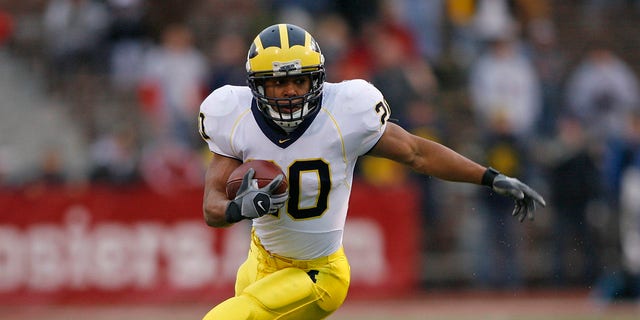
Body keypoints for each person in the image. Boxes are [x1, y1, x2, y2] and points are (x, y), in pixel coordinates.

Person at [198, 24, 546, 320]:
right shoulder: (233, 114)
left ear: (316, 80)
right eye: (278, 83)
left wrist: (490, 176)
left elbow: (417, 152)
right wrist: (238, 208)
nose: (290, 91)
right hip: (259, 260)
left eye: (299, 81)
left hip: (318, 274)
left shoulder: (346, 111)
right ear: (257, 87)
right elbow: (212, 206)